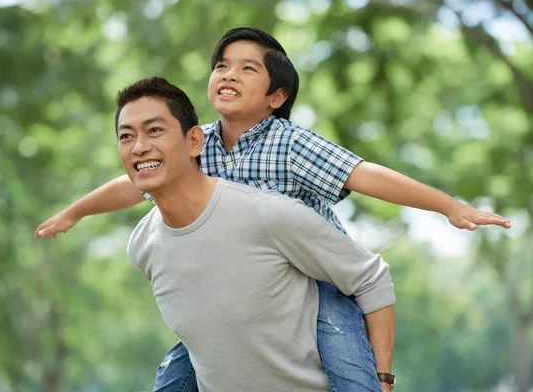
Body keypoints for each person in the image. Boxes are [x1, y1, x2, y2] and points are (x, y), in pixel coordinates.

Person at [35, 27, 510, 391]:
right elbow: (132, 183)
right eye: (222, 66)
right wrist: (75, 212)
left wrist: (448, 206)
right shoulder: (198, 142)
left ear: (276, 97)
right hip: (248, 291)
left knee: (348, 367)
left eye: (247, 69)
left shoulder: (289, 142)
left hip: (317, 282)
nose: (228, 75)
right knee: (179, 371)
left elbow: (364, 175)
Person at [118, 76, 395, 391]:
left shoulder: (266, 213)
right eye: (126, 136)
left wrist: (383, 380)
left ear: (195, 141)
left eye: (155, 130)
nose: (140, 147)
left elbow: (371, 278)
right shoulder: (143, 247)